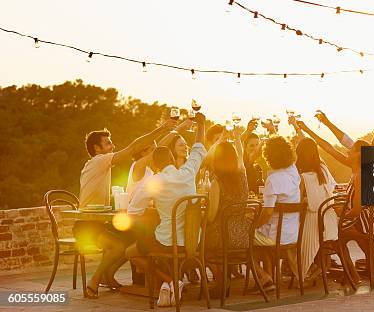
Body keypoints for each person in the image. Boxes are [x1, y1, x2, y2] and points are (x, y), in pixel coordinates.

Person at [77, 119, 176, 298]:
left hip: (101, 222)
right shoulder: (98, 161)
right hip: (87, 225)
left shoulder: (103, 164)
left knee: (132, 238)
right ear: (97, 148)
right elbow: (132, 148)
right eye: (107, 143)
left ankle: (110, 275)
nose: (112, 145)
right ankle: (94, 281)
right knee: (118, 246)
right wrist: (162, 128)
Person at [125, 112, 207, 307]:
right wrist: (201, 126)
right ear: (171, 158)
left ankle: (170, 282)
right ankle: (171, 283)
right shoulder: (188, 172)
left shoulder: (154, 181)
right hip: (193, 241)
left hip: (165, 242)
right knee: (156, 244)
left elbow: (133, 211)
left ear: (154, 163)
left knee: (131, 253)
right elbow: (199, 149)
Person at [251, 136, 301, 292]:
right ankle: (271, 278)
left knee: (244, 238)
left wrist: (254, 226)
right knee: (261, 242)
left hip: (276, 236)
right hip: (292, 234)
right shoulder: (294, 174)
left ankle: (265, 276)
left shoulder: (273, 180)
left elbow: (267, 213)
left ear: (268, 156)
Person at [205, 128, 250, 296]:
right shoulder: (243, 176)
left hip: (224, 237)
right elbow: (240, 155)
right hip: (243, 236)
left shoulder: (217, 182)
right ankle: (225, 279)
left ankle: (221, 281)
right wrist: (237, 139)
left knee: (201, 245)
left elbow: (211, 215)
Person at [295, 138, 338, 278]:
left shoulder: (303, 177)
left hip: (313, 224)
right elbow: (332, 189)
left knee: (286, 231)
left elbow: (297, 202)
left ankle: (304, 270)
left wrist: (307, 200)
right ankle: (318, 266)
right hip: (329, 221)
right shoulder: (323, 169)